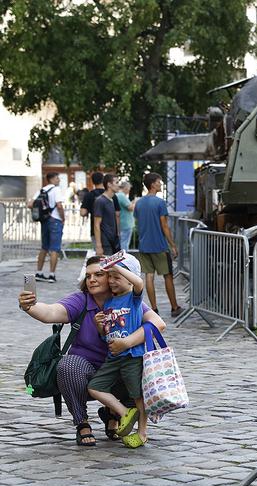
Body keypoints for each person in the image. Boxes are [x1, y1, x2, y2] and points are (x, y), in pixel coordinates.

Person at [18, 256, 165, 446]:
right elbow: (51, 312)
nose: (92, 279)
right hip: (86, 373)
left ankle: (113, 414)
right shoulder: (81, 300)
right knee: (68, 366)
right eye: (88, 276)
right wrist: (29, 305)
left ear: (113, 276)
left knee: (139, 369)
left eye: (98, 274)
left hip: (121, 369)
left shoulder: (127, 300)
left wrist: (127, 342)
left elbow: (158, 324)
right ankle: (82, 423)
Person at [88, 254, 150, 448]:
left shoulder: (134, 298)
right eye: (110, 277)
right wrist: (99, 326)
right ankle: (124, 412)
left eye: (117, 277)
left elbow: (139, 282)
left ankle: (142, 433)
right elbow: (106, 334)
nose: (112, 281)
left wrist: (116, 266)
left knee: (137, 395)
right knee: (94, 387)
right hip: (113, 357)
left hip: (132, 357)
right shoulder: (109, 303)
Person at [135, 173, 183, 317]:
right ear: (153, 184)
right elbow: (164, 226)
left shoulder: (139, 203)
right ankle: (174, 307)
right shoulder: (160, 203)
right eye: (159, 182)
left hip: (144, 245)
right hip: (159, 246)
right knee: (168, 276)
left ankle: (154, 309)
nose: (161, 184)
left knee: (149, 276)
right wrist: (173, 244)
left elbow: (139, 223)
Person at [27, 172, 65, 283]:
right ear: (52, 179)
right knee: (55, 248)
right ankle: (52, 275)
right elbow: (59, 205)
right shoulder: (56, 190)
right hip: (55, 220)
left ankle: (39, 272)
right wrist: (63, 218)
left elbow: (30, 204)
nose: (59, 180)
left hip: (44, 221)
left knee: (44, 247)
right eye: (57, 178)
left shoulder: (41, 190)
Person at [81, 172, 120, 242]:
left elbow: (83, 212)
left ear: (92, 182)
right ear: (103, 180)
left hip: (95, 230)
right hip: (111, 231)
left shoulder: (89, 195)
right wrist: (117, 231)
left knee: (99, 251)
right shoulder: (111, 195)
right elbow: (117, 214)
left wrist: (90, 210)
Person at [93, 174, 121, 255]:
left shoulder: (111, 200)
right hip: (105, 242)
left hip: (113, 241)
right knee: (106, 267)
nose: (118, 185)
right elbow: (96, 224)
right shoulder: (100, 201)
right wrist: (98, 245)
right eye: (116, 182)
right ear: (109, 184)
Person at [115, 180, 136, 250]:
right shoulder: (121, 195)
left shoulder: (118, 195)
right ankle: (124, 258)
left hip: (122, 223)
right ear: (126, 188)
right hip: (126, 224)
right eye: (129, 189)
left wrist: (132, 203)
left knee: (123, 242)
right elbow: (130, 208)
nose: (129, 191)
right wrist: (136, 202)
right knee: (124, 244)